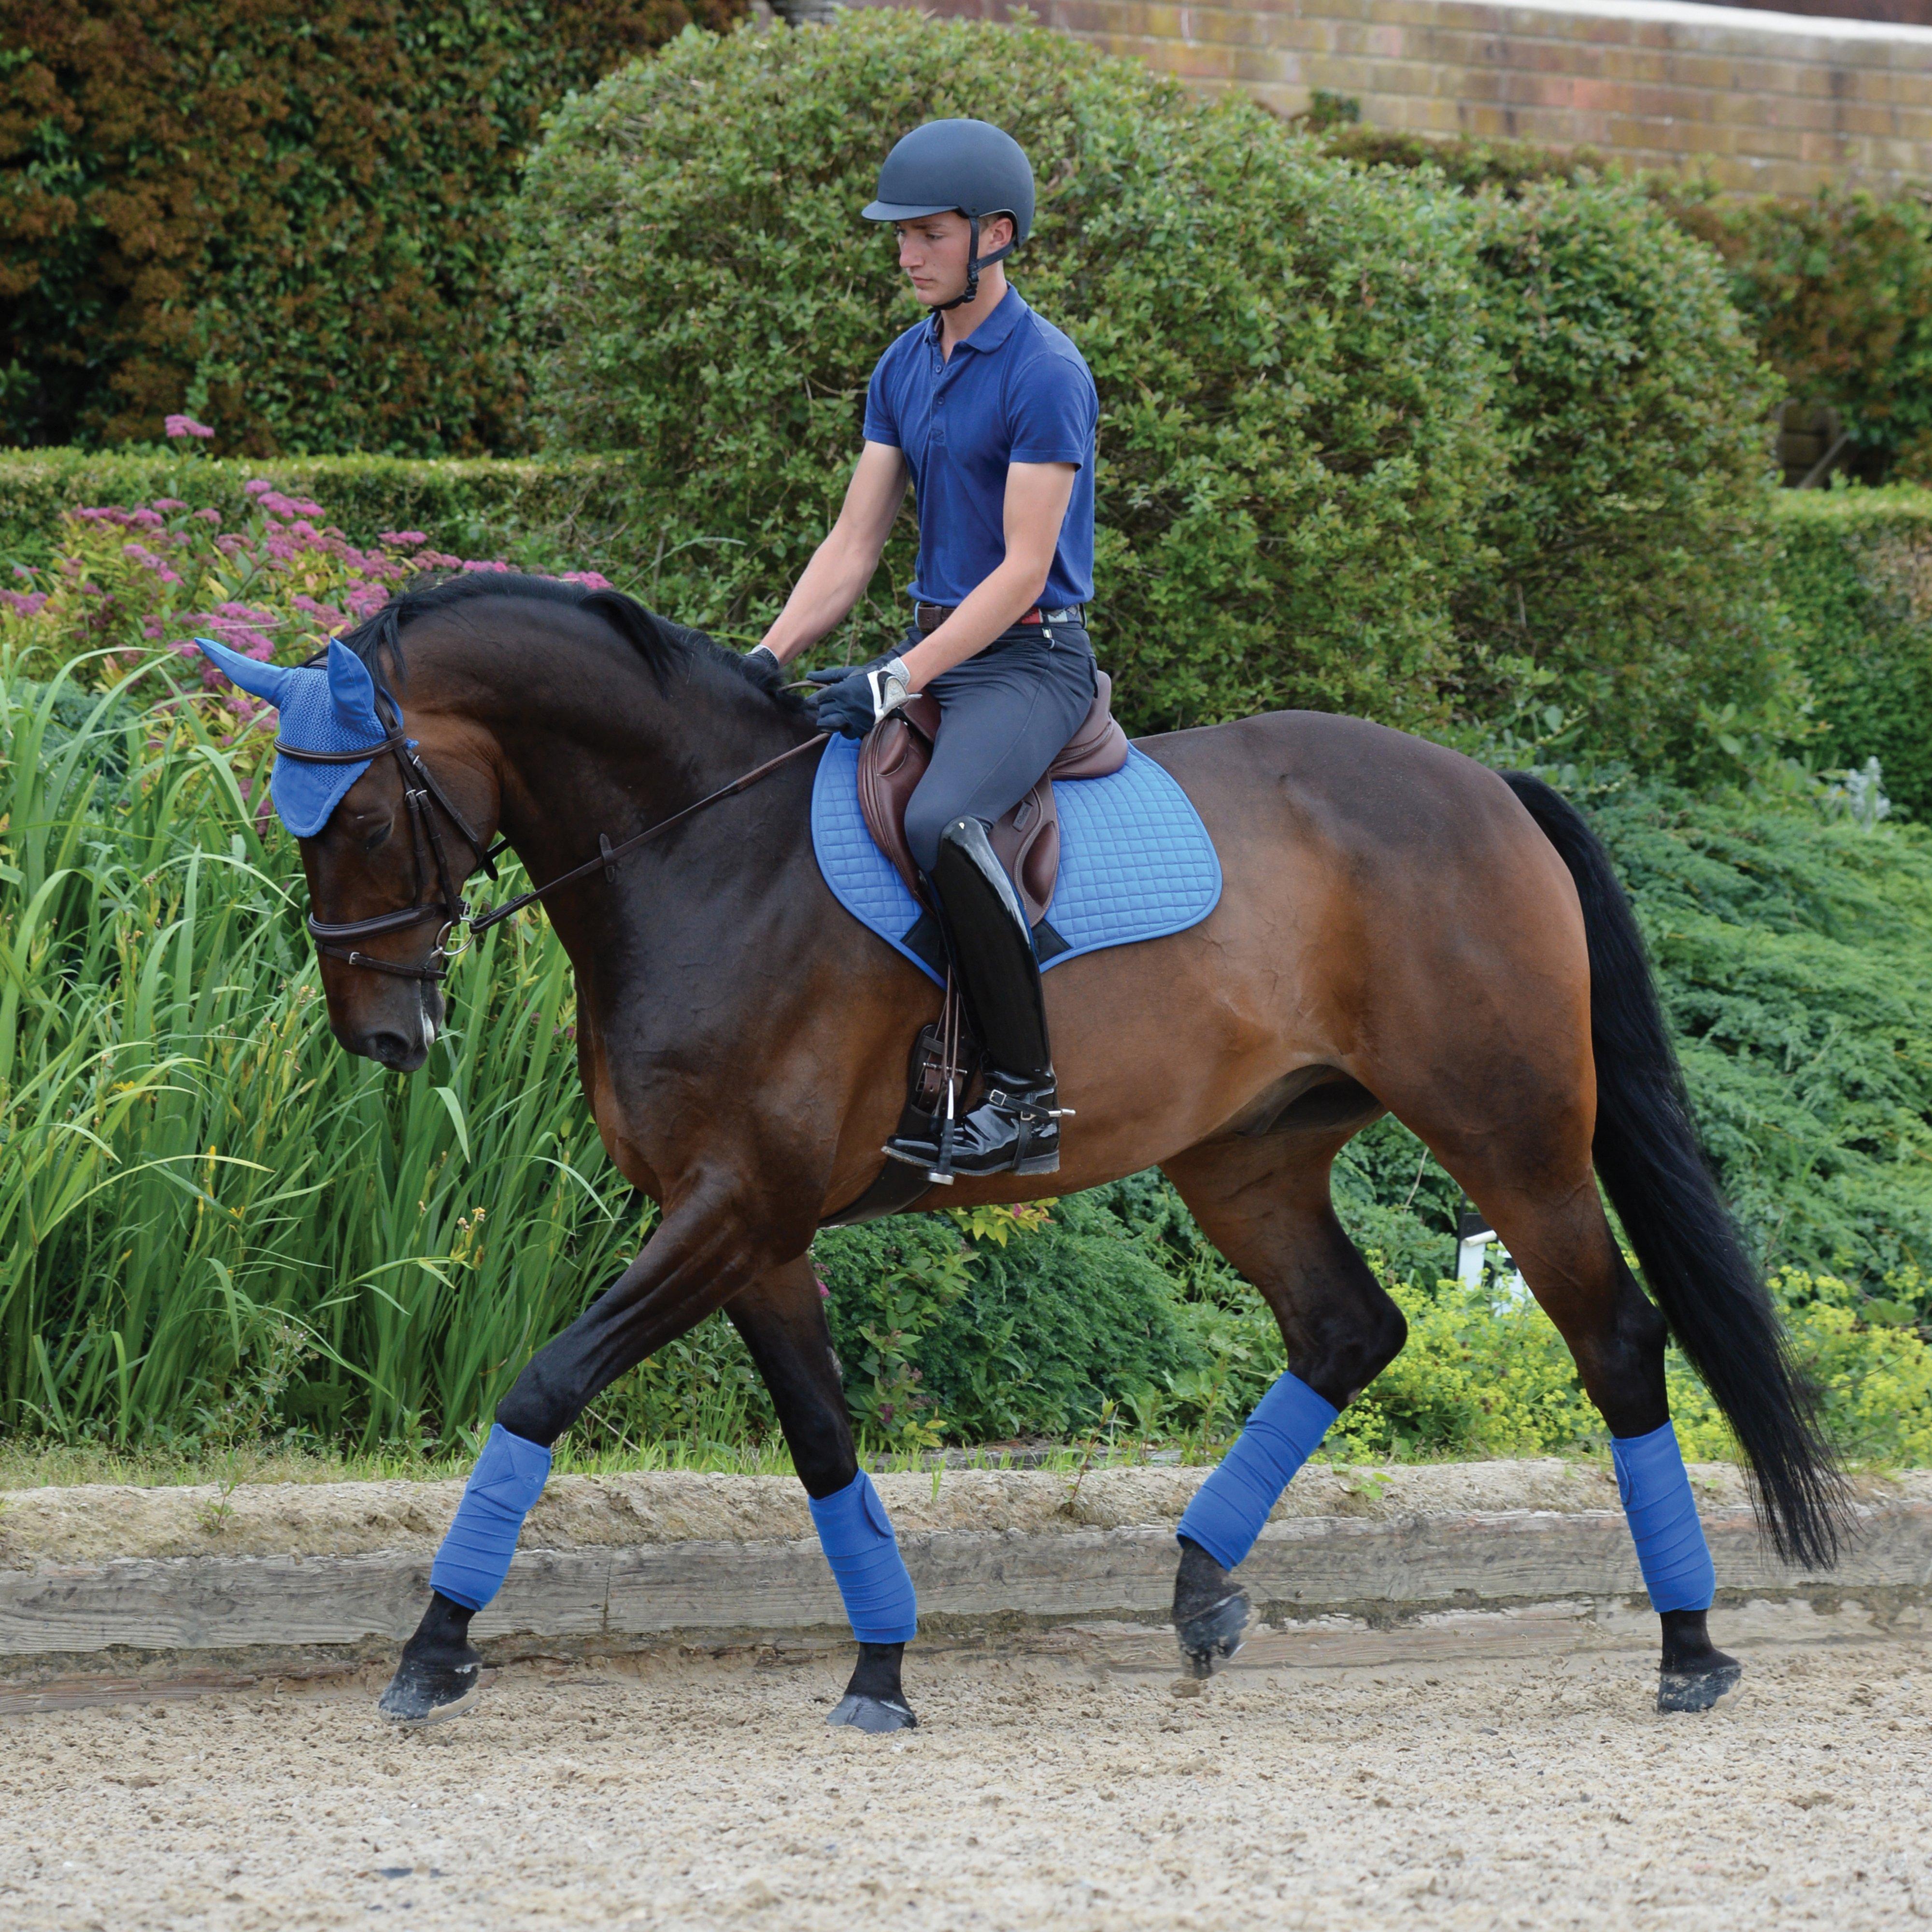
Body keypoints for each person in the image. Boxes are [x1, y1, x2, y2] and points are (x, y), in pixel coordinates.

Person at [749, 118, 1100, 1180]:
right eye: (898, 235)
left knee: (944, 819)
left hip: (1030, 658)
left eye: (927, 234)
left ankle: (1028, 1098)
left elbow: (1021, 571)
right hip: (939, 644)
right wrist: (760, 661)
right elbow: (854, 542)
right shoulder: (904, 363)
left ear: (994, 235)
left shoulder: (1045, 373)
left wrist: (898, 677)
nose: (905, 254)